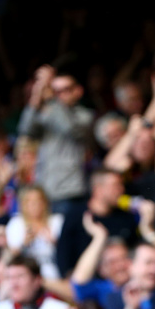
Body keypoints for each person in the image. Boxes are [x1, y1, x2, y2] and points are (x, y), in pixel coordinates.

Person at [17, 65, 94, 214]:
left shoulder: (85, 116)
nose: (58, 95)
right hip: (45, 191)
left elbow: (69, 128)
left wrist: (51, 100)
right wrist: (37, 93)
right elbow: (25, 130)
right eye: (55, 91)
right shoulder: (49, 113)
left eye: (64, 90)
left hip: (71, 191)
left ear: (78, 91)